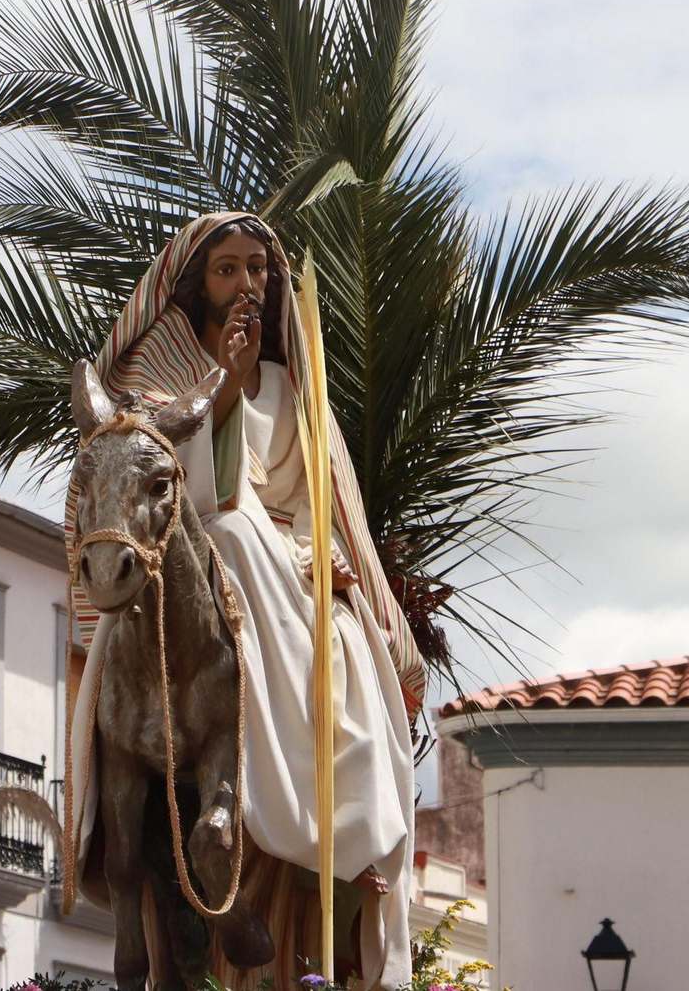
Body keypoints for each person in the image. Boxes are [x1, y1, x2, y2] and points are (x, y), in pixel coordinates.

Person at [64, 212, 425, 988]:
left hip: (293, 568)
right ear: (197, 282)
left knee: (339, 634)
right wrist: (221, 390)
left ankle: (313, 790)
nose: (246, 286)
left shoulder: (299, 388)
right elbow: (166, 498)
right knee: (225, 531)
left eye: (257, 270)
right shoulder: (155, 380)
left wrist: (323, 551)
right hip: (189, 565)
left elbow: (321, 503)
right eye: (227, 270)